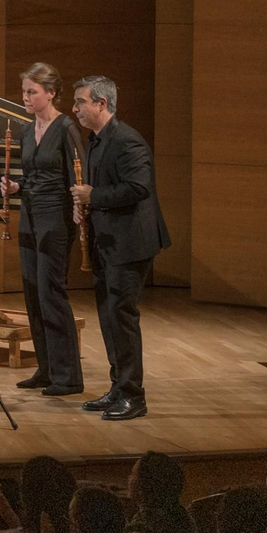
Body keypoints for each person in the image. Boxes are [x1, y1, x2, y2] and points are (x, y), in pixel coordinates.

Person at [71, 74, 169, 421]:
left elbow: (138, 187)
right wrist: (84, 206)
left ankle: (133, 395)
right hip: (107, 241)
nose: (75, 109)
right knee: (109, 318)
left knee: (122, 317)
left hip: (130, 244)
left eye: (81, 102)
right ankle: (118, 387)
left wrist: (93, 196)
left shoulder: (128, 141)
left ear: (101, 103)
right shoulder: (96, 140)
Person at [0, 62, 83, 395]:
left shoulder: (67, 128)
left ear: (50, 93)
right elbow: (31, 175)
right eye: (24, 92)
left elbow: (77, 175)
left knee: (52, 296)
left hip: (56, 220)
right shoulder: (25, 130)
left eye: (32, 92)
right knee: (33, 295)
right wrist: (15, 187)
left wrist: (79, 210)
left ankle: (68, 376)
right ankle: (46, 369)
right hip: (30, 217)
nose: (25, 97)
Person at [128, 451, 199, 533]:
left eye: (133, 474)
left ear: (143, 485)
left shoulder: (138, 528)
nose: (129, 479)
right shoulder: (186, 520)